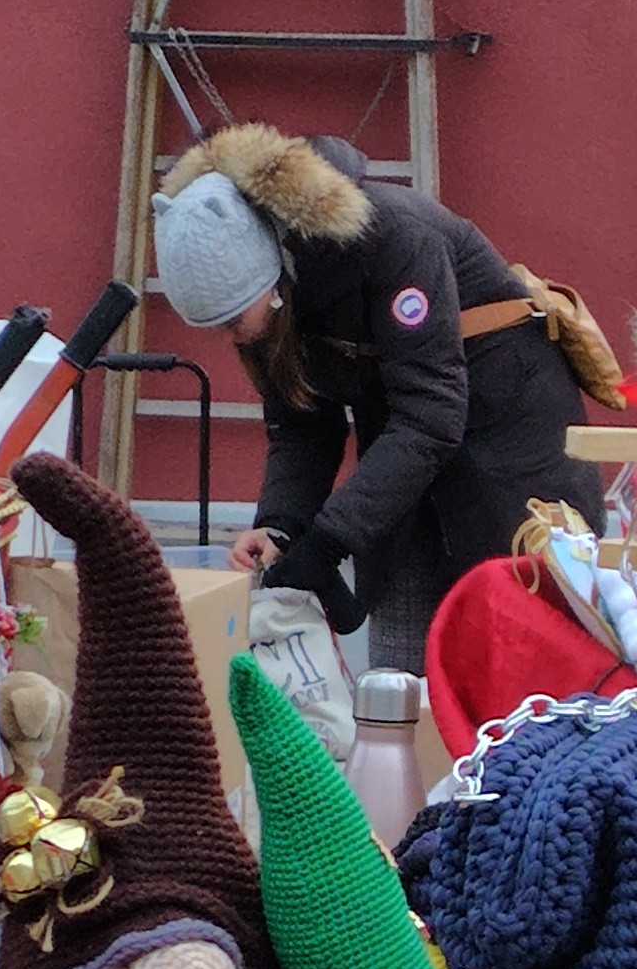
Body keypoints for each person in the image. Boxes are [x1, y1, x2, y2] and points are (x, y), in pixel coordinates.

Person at [149, 122, 604, 670]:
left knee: (512, 667)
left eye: (230, 320)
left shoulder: (395, 237)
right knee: (397, 676)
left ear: (270, 267)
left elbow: (432, 413)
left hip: (511, 450)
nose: (231, 339)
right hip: (404, 457)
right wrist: (282, 526)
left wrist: (330, 539)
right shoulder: (272, 291)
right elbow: (302, 421)